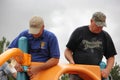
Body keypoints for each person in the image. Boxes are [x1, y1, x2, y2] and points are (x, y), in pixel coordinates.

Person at [64, 12, 117, 80]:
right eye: (97, 25)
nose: (99, 28)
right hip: (77, 73)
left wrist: (107, 70)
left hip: (94, 73)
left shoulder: (105, 36)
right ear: (91, 21)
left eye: (102, 26)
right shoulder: (79, 32)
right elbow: (67, 51)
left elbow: (111, 57)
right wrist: (71, 61)